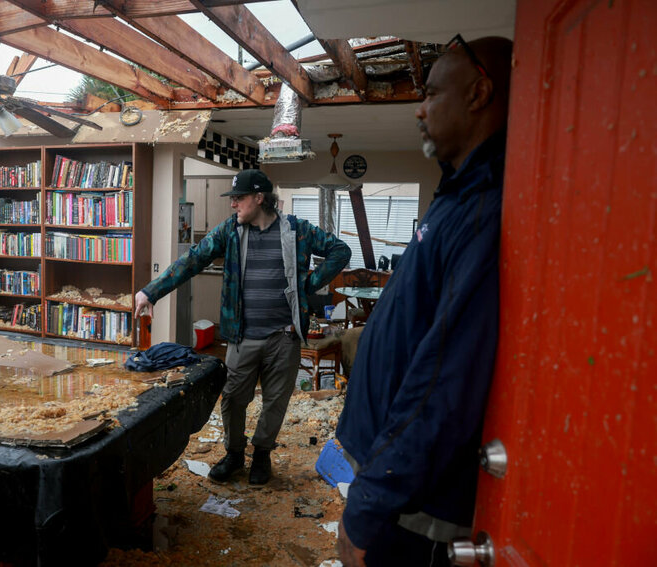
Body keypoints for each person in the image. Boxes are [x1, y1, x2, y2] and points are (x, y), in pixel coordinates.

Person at [335, 35, 513, 566]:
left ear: (479, 93)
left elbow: (442, 385)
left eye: (432, 92)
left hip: (413, 518)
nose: (420, 108)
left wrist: (366, 506)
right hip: (392, 492)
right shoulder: (456, 196)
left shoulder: (484, 210)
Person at [135, 169, 350, 485]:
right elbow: (192, 260)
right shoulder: (230, 233)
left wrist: (308, 285)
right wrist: (151, 291)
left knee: (275, 402)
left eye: (239, 198)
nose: (233, 204)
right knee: (233, 399)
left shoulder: (297, 231)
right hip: (242, 337)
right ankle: (235, 454)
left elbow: (340, 251)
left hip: (284, 337)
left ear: (259, 198)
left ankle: (261, 454)